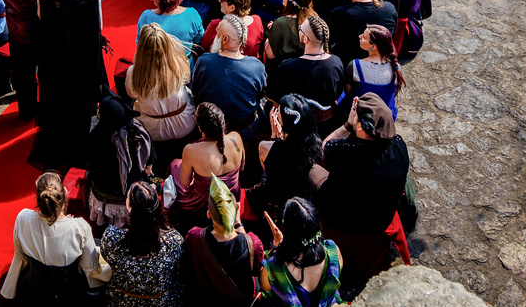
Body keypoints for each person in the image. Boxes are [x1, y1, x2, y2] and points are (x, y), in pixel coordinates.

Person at [317, 93, 411, 285]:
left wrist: (347, 125)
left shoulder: (344, 152)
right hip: (378, 221)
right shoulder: (400, 146)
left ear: (360, 125)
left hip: (341, 222)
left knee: (312, 170)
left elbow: (324, 148)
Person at [30, 0, 107, 168]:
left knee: (58, 97)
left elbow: (39, 15)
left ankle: (60, 137)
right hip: (83, 53)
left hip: (55, 53)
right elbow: (99, 24)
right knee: (82, 98)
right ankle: (80, 139)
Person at [0, 173, 111, 307]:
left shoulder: (23, 218)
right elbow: (89, 266)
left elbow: (20, 255)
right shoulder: (80, 228)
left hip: (33, 293)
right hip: (69, 299)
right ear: (65, 193)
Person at [254, 197, 344, 307]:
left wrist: (276, 247)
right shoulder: (333, 251)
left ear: (287, 231)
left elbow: (265, 286)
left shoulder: (274, 265)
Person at [99, 181, 186, 307]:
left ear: (129, 206)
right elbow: (179, 272)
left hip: (122, 306)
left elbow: (107, 258)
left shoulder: (111, 237)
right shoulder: (175, 240)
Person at [249, 95, 329, 235]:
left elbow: (268, 170)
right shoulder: (314, 147)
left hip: (276, 204)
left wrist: (274, 137)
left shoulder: (265, 147)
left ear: (281, 120)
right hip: (302, 202)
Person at [185, 177, 264, 307]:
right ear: (237, 208)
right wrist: (238, 224)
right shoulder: (253, 243)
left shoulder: (194, 237)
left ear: (209, 214)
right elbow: (256, 270)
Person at [125, 23, 197, 168]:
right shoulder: (179, 64)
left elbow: (131, 94)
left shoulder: (133, 73)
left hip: (151, 129)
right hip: (184, 124)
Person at [169, 103, 245, 226]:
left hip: (204, 204)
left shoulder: (190, 150)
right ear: (223, 120)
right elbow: (242, 167)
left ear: (199, 128)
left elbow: (185, 183)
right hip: (232, 196)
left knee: (175, 165)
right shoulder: (236, 137)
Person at [191, 14, 266, 138]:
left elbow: (196, 92)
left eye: (217, 31)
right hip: (245, 129)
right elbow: (260, 95)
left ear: (225, 39)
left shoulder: (204, 62)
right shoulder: (257, 66)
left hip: (212, 129)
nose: (215, 33)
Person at [84, 93, 152, 229]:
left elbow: (88, 163)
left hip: (103, 190)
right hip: (131, 193)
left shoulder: (95, 137)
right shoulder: (139, 136)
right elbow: (148, 168)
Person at [270, 16, 345, 110]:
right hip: (329, 121)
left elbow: (274, 97)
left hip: (297, 121)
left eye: (300, 28)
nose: (299, 28)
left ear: (305, 39)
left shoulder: (288, 68)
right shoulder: (336, 62)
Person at [328, 0, 397, 64]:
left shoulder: (340, 14)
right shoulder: (390, 9)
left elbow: (329, 41)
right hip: (381, 64)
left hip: (351, 68)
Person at [347, 26, 404, 118]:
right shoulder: (396, 68)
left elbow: (347, 92)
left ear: (373, 47)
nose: (359, 36)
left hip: (360, 116)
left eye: (364, 37)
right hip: (385, 116)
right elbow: (394, 94)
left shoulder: (354, 66)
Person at [137, 0, 204, 53]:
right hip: (185, 63)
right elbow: (199, 41)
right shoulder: (192, 14)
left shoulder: (146, 17)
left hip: (156, 64)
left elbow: (141, 45)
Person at [201, 0, 265, 61]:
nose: (219, 0)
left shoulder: (216, 25)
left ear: (232, 7)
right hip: (250, 67)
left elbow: (203, 46)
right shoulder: (257, 20)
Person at [262, 0, 317, 67]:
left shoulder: (279, 23)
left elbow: (270, 54)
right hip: (308, 67)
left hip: (283, 70)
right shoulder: (314, 21)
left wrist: (271, 35)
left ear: (292, 3)